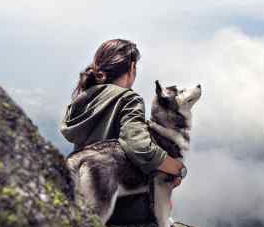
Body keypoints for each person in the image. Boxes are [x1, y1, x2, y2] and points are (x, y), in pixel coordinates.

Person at [59, 39, 186, 194]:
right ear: (132, 67)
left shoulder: (83, 97)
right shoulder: (128, 99)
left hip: (80, 188)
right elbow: (139, 146)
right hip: (117, 200)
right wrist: (176, 168)